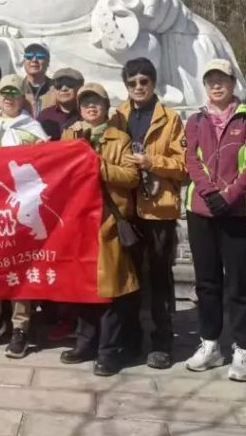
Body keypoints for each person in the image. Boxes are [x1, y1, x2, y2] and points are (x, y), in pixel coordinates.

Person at [183, 58, 246, 382]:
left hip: (240, 210)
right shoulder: (196, 120)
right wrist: (209, 193)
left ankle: (244, 349)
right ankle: (210, 343)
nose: (217, 85)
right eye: (211, 80)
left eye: (223, 79)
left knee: (240, 282)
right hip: (201, 210)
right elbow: (192, 159)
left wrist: (229, 196)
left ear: (233, 83)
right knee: (207, 282)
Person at [59, 82, 140, 376]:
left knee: (109, 291)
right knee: (82, 286)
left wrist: (96, 164)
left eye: (97, 102)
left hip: (108, 220)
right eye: (86, 103)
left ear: (106, 107)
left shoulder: (119, 138)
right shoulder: (69, 135)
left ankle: (108, 350)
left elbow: (131, 177)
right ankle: (85, 342)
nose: (91, 107)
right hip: (78, 221)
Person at [112, 57, 187, 370]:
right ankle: (130, 340)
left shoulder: (170, 118)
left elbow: (183, 166)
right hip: (126, 208)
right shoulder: (117, 116)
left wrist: (151, 163)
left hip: (159, 208)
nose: (138, 87)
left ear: (154, 83)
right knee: (127, 277)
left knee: (159, 278)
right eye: (132, 82)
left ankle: (161, 342)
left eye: (144, 81)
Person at [0, 74, 49, 358]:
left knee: (19, 265)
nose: (7, 97)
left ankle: (20, 327)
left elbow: (46, 161)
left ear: (21, 96)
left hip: (21, 207)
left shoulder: (32, 127)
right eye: (4, 92)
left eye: (13, 93)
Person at [38, 68, 84, 141]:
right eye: (58, 84)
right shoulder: (45, 116)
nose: (64, 89)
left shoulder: (87, 115)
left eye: (69, 83)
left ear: (80, 87)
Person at [21, 43, 54, 115]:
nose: (34, 60)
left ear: (48, 62)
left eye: (40, 56)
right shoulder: (17, 88)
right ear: (24, 61)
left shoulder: (56, 90)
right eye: (29, 56)